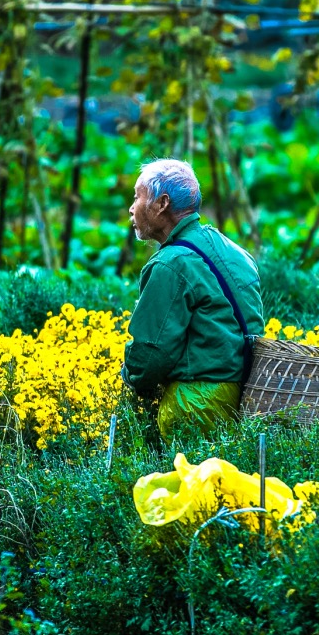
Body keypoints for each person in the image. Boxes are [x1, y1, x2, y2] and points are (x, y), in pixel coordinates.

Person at [122, 158, 264, 439]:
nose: (131, 207)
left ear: (162, 204)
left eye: (137, 197)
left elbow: (151, 354)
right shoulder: (235, 251)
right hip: (247, 394)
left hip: (194, 405)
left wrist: (130, 377)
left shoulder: (169, 264)